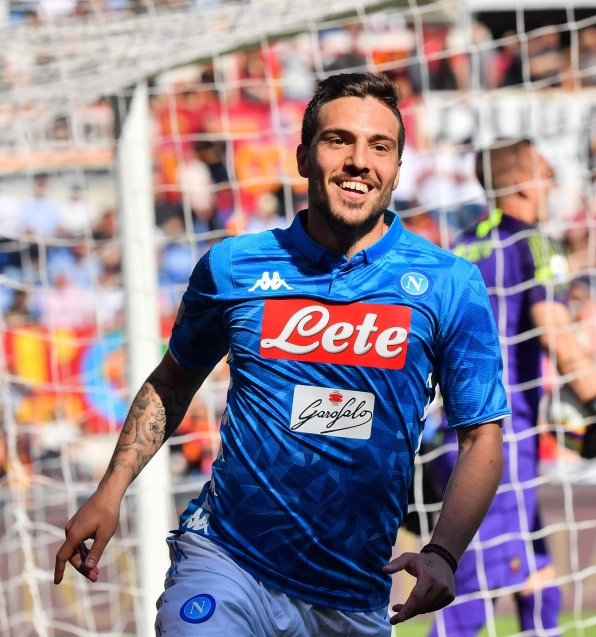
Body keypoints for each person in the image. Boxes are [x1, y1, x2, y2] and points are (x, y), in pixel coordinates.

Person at [53, 72, 510, 636]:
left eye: (379, 147)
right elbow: (173, 381)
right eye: (338, 140)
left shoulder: (450, 284)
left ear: (396, 168)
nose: (358, 161)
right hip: (227, 562)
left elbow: (482, 433)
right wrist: (110, 489)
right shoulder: (233, 266)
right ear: (302, 156)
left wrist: (443, 551)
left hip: (352, 596)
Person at [432, 139, 596, 636]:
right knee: (469, 591)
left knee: (538, 572)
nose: (554, 186)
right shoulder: (535, 242)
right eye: (547, 174)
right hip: (499, 442)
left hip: (450, 435)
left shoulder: (458, 247)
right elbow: (556, 333)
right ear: (523, 183)